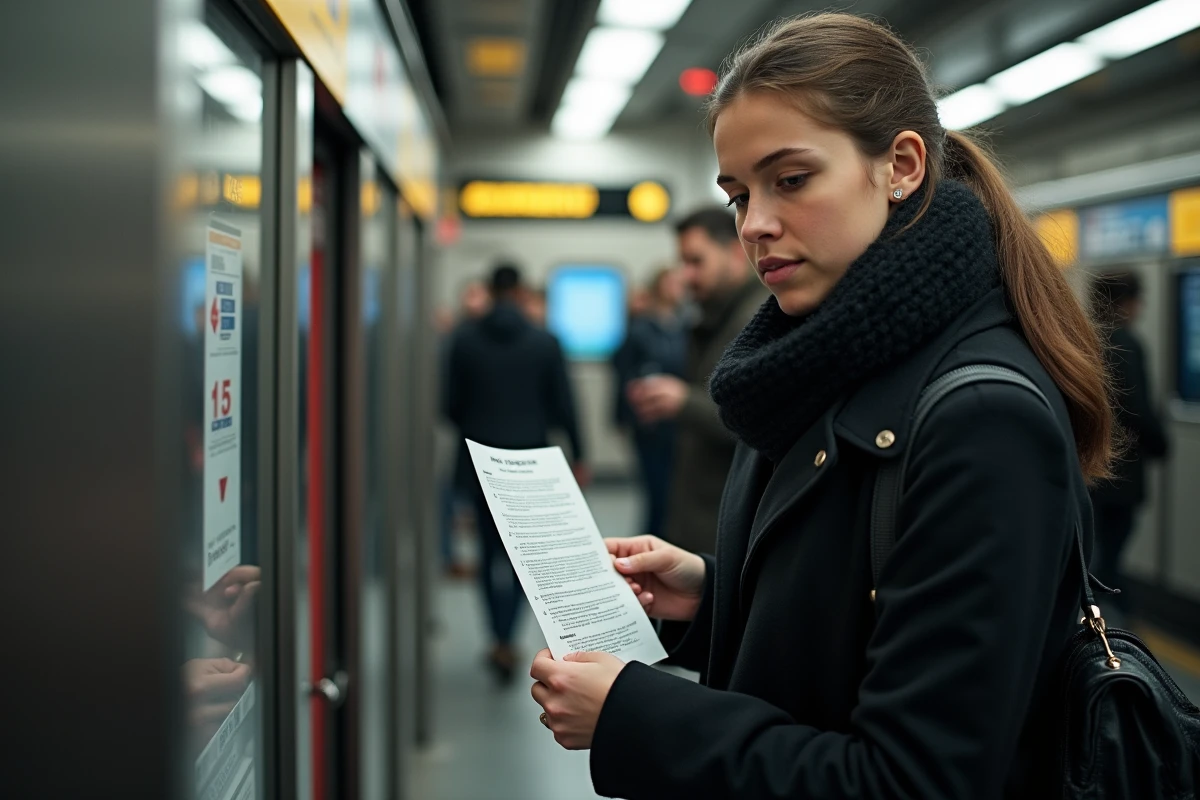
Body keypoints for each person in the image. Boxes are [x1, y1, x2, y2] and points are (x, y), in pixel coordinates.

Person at [528, 13, 1117, 798]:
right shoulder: (810, 362)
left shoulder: (979, 418)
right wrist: (710, 596)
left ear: (900, 164)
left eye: (791, 180)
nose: (756, 225)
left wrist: (635, 716)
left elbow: (913, 779)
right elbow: (858, 628)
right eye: (737, 196)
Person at [445, 263, 588, 683]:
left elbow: (448, 405)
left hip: (479, 461)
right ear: (522, 292)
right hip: (531, 465)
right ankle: (511, 635)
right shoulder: (544, 342)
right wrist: (580, 455)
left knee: (489, 553)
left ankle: (497, 638)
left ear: (489, 290)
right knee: (526, 560)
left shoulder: (463, 340)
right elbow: (564, 404)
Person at [627, 208, 765, 553]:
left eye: (696, 261)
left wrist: (682, 402)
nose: (686, 275)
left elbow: (760, 418)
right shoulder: (715, 317)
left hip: (726, 527)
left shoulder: (759, 318)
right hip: (704, 518)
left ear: (735, 252)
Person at [1090, 271, 1168, 612]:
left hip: (1092, 469)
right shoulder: (1127, 343)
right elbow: (1135, 408)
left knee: (1097, 556)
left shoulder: (1087, 337)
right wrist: (1161, 444)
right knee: (1110, 562)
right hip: (1120, 474)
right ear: (1125, 302)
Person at [612, 268, 688, 537]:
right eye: (672, 282)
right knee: (657, 495)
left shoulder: (685, 327)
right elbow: (622, 375)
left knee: (676, 499)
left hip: (680, 425)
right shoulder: (641, 329)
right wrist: (622, 417)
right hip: (650, 426)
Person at [437, 279, 491, 578]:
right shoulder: (458, 336)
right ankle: (448, 556)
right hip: (457, 433)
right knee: (449, 495)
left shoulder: (476, 337)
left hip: (472, 432)